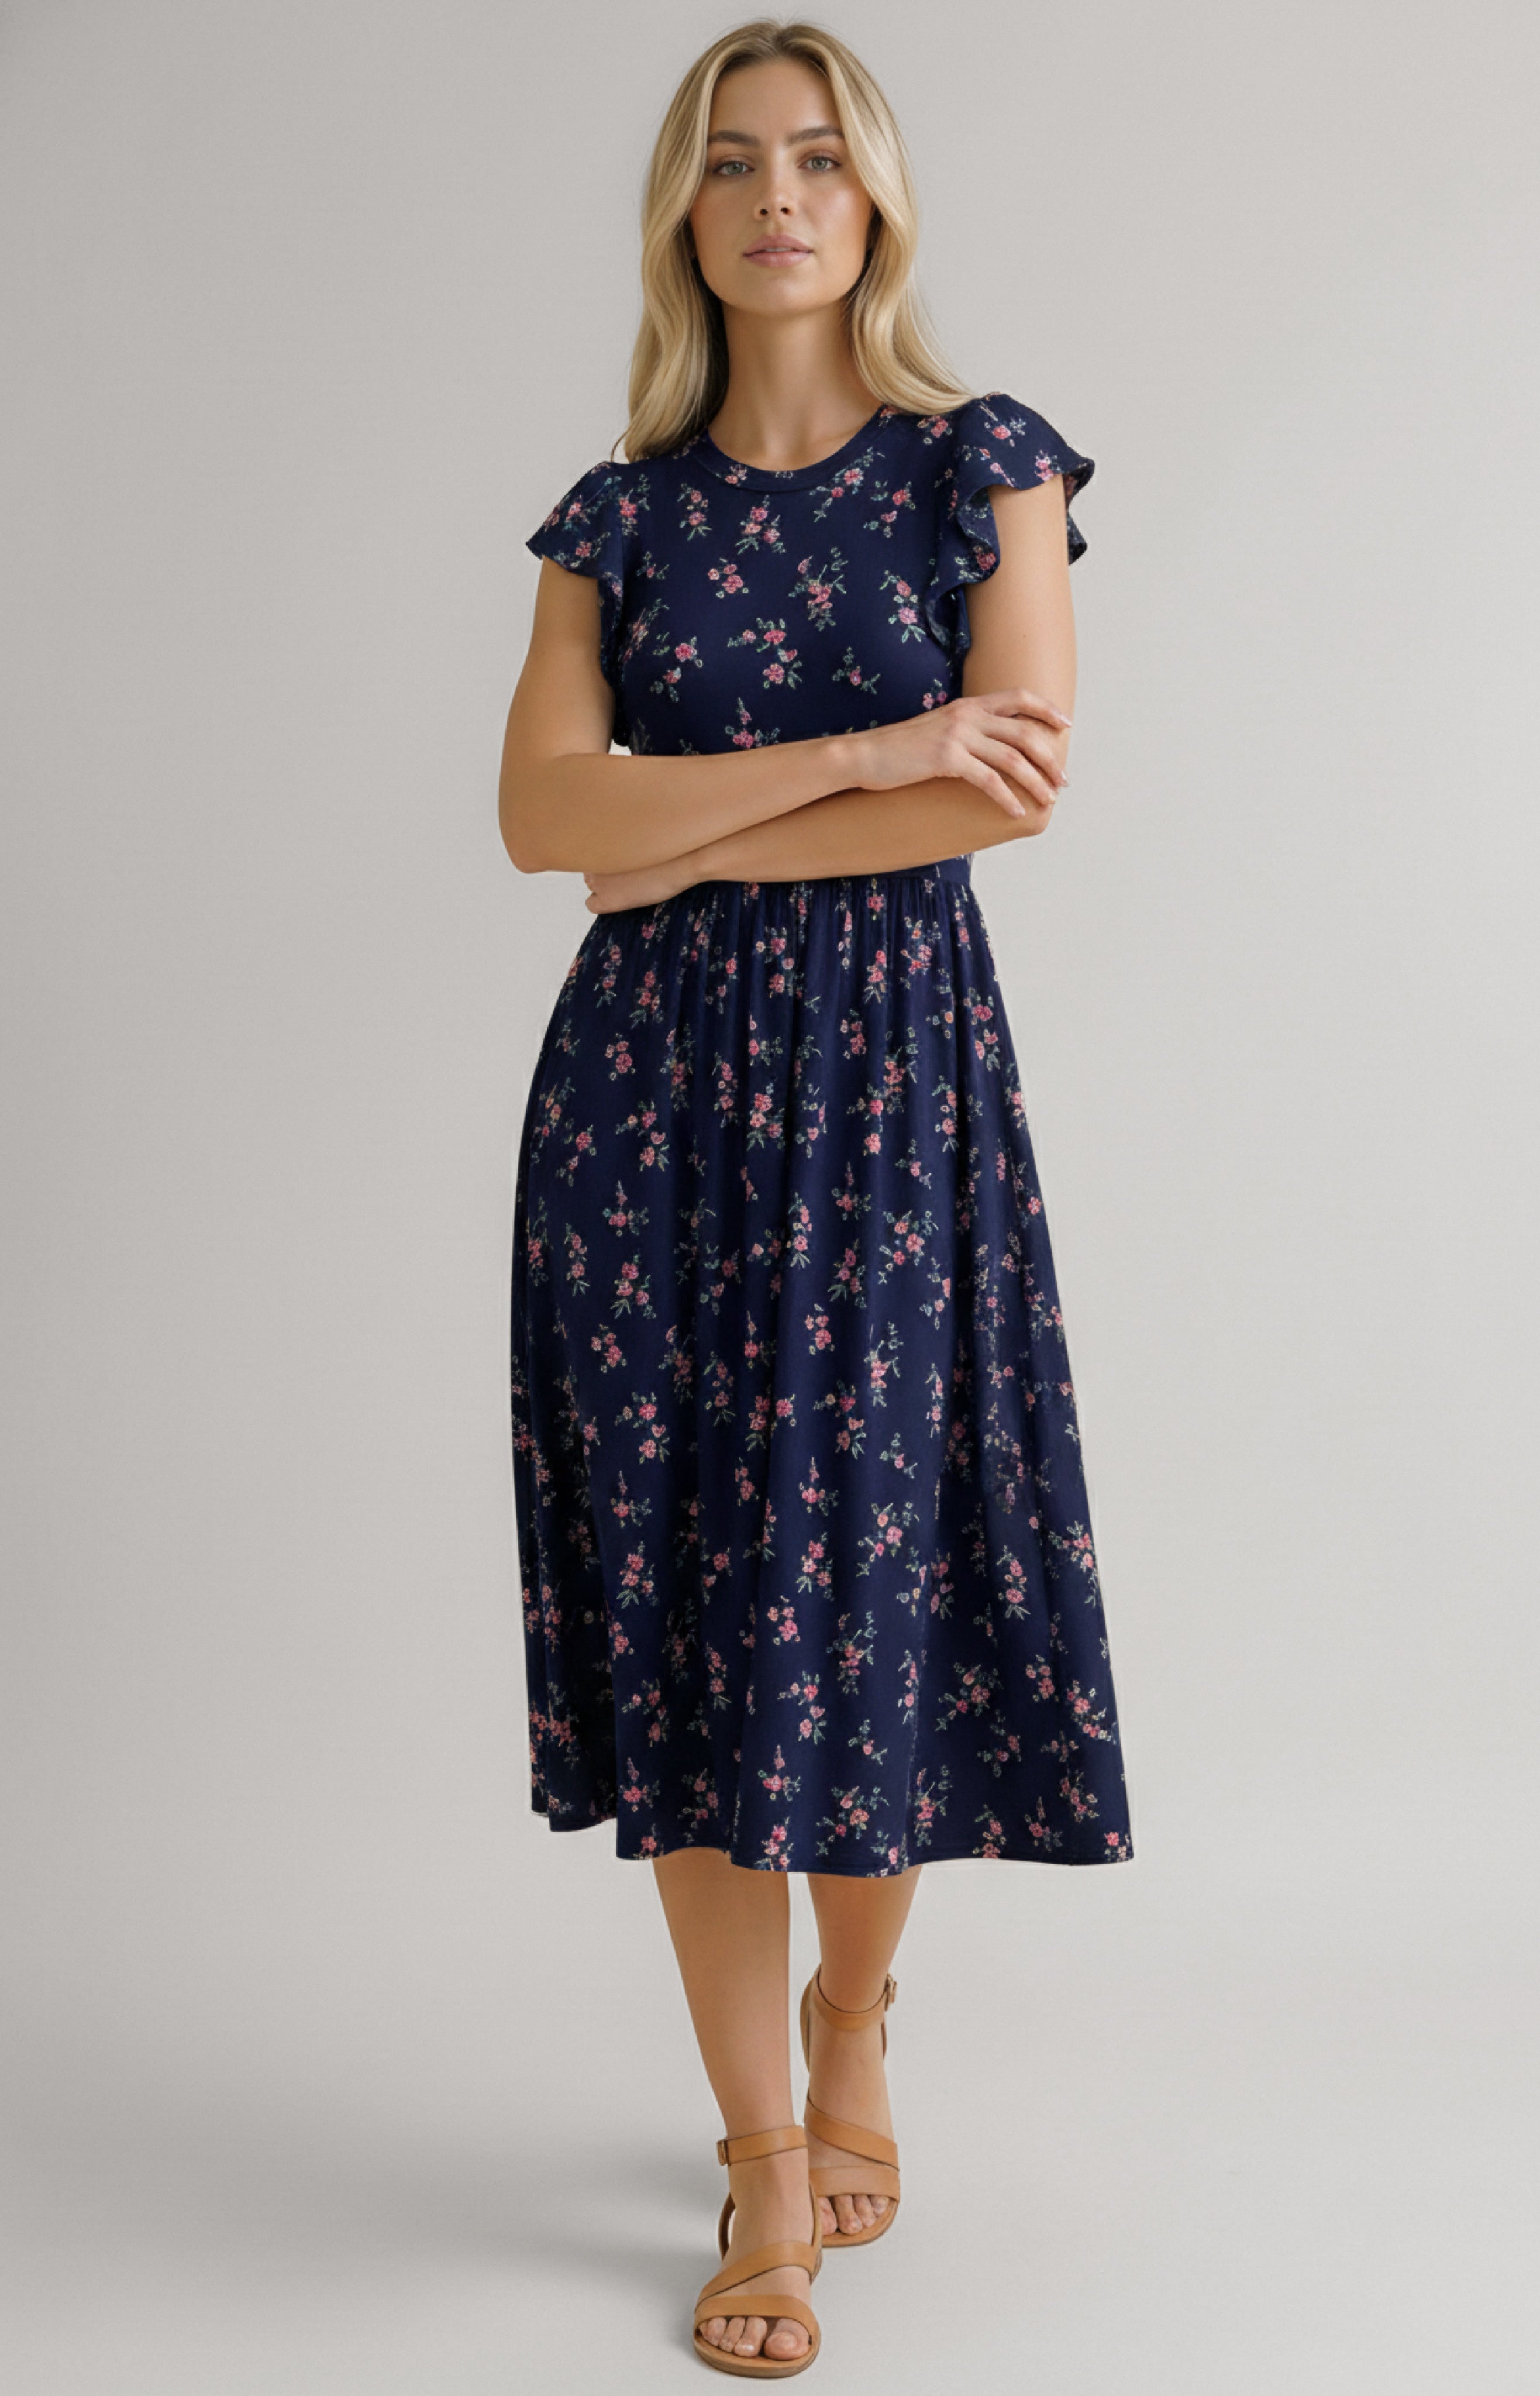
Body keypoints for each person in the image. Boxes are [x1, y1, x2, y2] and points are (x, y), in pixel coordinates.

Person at [498, 18, 1132, 2376]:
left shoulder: (985, 467)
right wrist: (862, 743)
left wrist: (688, 814)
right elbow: (539, 826)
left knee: (860, 1590)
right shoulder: (614, 516)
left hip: (886, 1097)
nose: (779, 194)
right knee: (689, 1616)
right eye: (733, 163)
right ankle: (759, 2161)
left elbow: (1013, 795)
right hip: (637, 1125)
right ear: (684, 214)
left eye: (819, 158)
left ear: (873, 204)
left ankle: (861, 2013)